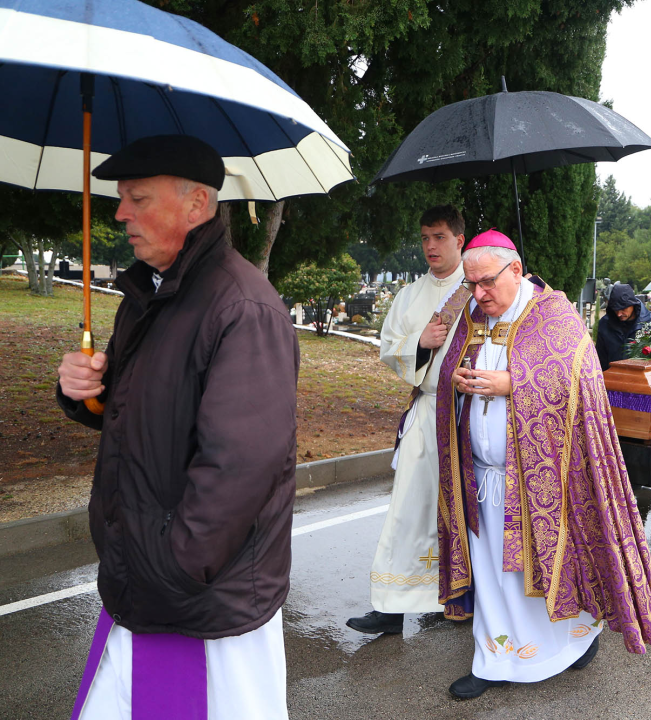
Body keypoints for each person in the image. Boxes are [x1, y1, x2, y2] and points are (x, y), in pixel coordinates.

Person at [56, 135, 298, 719]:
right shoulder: (148, 294)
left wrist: (174, 566)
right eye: (120, 199)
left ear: (196, 205)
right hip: (144, 578)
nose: (120, 214)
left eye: (137, 198)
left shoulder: (243, 308)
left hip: (199, 599)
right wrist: (81, 391)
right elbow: (138, 408)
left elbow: (241, 463)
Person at [435, 230, 651, 699]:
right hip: (482, 479)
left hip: (540, 479)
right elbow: (449, 367)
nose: (478, 294)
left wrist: (513, 383)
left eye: (486, 282)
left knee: (543, 569)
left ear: (516, 270)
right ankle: (494, 657)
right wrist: (456, 376)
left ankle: (579, 636)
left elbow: (578, 379)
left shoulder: (555, 314)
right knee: (492, 573)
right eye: (471, 284)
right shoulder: (472, 313)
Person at [347, 206, 469, 635]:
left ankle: (461, 598)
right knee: (408, 510)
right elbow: (388, 345)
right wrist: (421, 341)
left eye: (439, 237)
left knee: (468, 511)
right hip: (427, 411)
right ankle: (391, 607)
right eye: (424, 238)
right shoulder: (410, 294)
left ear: (459, 239)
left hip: (469, 415)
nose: (430, 246)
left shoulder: (479, 289)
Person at [595, 283, 651, 371]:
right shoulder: (605, 324)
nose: (619, 314)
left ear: (633, 305)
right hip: (611, 378)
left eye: (623, 309)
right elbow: (600, 358)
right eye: (616, 309)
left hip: (641, 380)